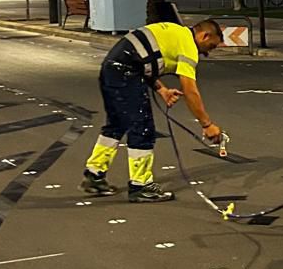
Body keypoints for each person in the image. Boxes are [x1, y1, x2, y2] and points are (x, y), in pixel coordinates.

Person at [82, 17, 225, 202]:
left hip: (112, 69)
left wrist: (162, 90)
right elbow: (190, 90)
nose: (207, 53)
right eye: (211, 46)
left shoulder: (176, 32)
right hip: (126, 72)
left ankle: (94, 173)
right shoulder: (188, 45)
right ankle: (140, 185)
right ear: (204, 36)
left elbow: (143, 59)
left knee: (116, 124)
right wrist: (207, 124)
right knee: (142, 127)